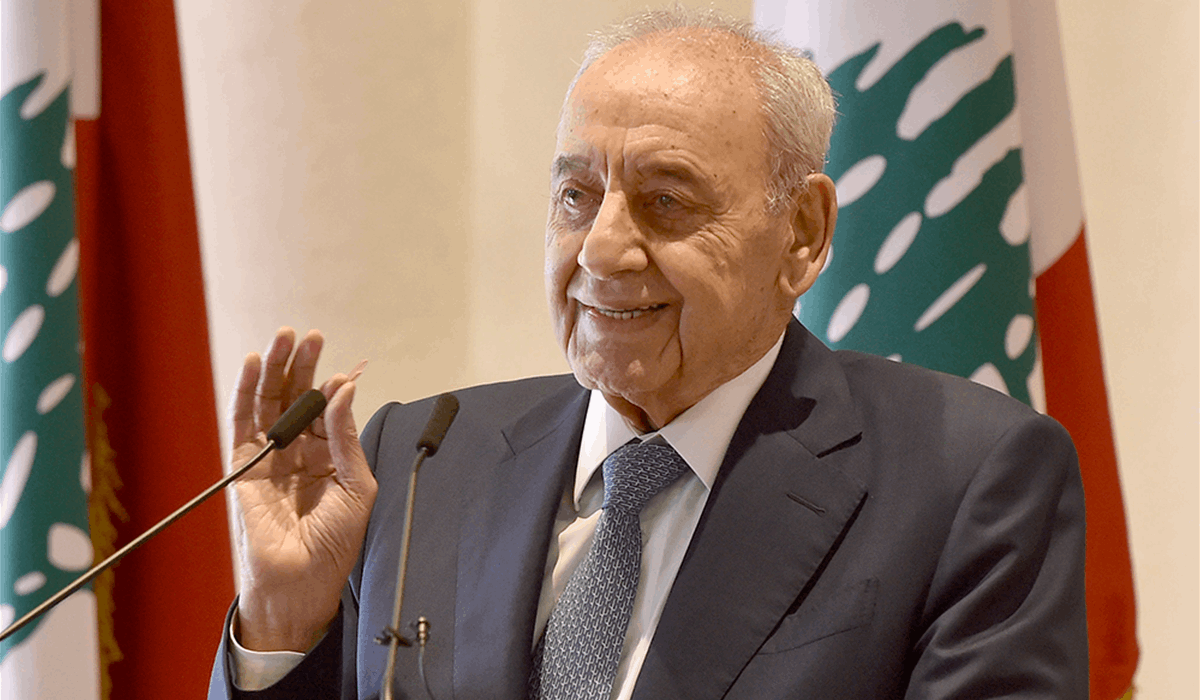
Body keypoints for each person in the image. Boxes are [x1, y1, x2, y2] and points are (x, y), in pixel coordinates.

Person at [209, 8, 1087, 699]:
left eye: (666, 201)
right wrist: (282, 624)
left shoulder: (966, 481)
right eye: (576, 196)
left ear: (803, 234)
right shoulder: (422, 460)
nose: (601, 249)